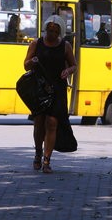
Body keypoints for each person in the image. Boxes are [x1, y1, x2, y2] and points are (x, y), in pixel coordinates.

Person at [23, 15, 77, 173]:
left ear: (60, 32)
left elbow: (74, 65)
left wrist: (68, 70)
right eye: (49, 30)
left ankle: (47, 160)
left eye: (55, 31)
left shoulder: (65, 46)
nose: (51, 34)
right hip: (39, 87)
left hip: (57, 89)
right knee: (39, 122)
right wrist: (31, 62)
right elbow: (25, 65)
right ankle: (37, 153)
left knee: (52, 123)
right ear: (45, 29)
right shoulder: (36, 44)